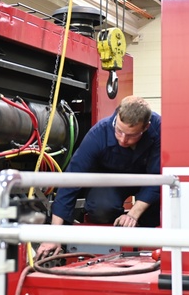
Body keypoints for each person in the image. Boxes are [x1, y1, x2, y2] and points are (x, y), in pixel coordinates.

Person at [36, 96, 161, 258]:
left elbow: (157, 177)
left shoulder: (159, 128)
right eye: (119, 131)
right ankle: (115, 237)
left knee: (154, 215)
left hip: (147, 180)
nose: (123, 140)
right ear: (116, 117)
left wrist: (133, 214)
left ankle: (141, 245)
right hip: (111, 181)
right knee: (100, 209)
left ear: (145, 127)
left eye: (131, 135)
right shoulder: (98, 134)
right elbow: (71, 181)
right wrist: (54, 236)